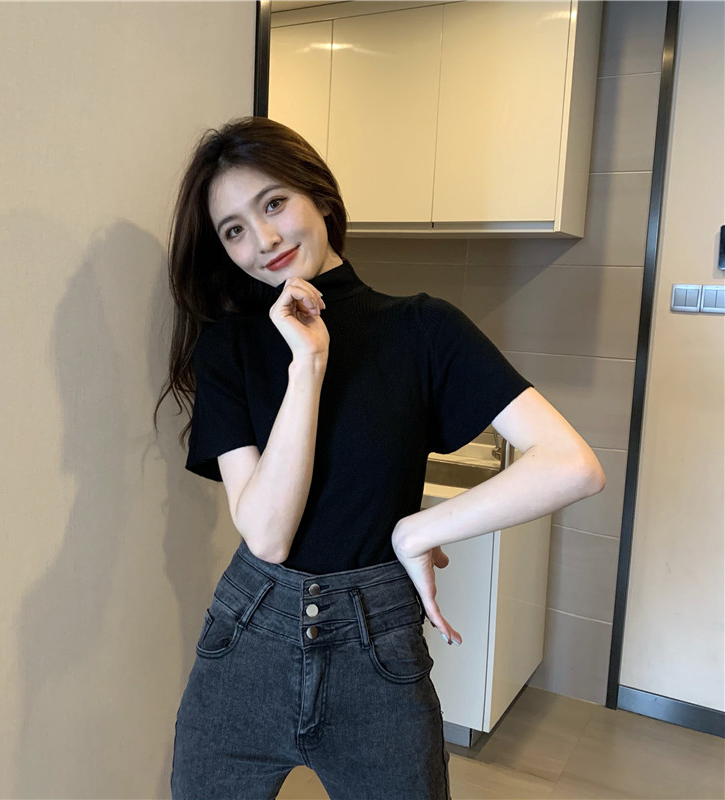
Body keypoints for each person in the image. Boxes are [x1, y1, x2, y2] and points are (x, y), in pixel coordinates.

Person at [155, 116, 605, 800]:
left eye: (273, 203)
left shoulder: (422, 328)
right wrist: (308, 364)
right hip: (247, 637)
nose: (263, 240)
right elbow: (268, 536)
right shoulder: (231, 348)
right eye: (234, 230)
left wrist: (418, 530)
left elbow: (572, 462)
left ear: (320, 196)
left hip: (378, 648)